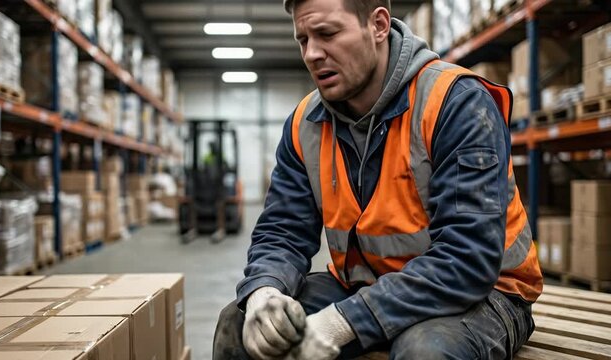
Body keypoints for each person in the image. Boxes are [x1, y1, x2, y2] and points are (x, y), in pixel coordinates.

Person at [213, 0, 543, 358]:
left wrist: (343, 322)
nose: (312, 53)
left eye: (327, 34)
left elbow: (466, 259)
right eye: (303, 39)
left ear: (379, 25)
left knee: (424, 351)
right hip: (366, 285)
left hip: (483, 292)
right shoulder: (304, 125)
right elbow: (282, 230)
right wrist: (265, 289)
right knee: (240, 323)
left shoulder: (456, 104)